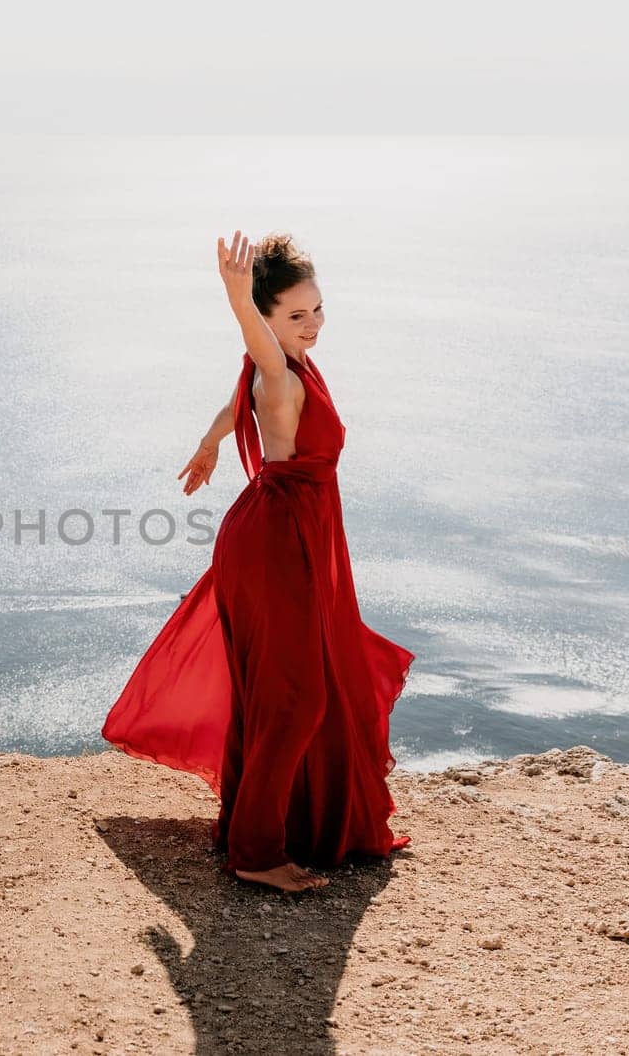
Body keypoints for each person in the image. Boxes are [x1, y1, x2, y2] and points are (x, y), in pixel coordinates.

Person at [101, 230, 414, 894]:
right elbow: (258, 367)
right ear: (267, 322)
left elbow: (236, 396)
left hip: (288, 536)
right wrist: (237, 298)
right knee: (299, 699)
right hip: (279, 544)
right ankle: (255, 851)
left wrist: (210, 444)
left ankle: (285, 824)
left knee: (291, 688)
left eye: (318, 308)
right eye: (295, 316)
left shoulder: (291, 369)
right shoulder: (278, 368)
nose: (313, 325)